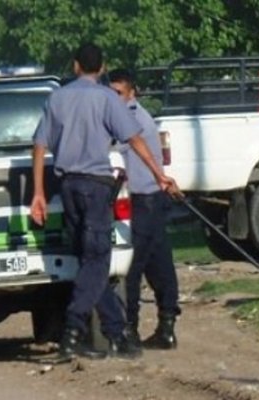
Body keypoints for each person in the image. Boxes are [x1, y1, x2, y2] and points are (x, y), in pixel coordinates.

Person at [30, 43, 177, 362]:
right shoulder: (107, 98)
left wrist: (38, 192)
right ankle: (72, 330)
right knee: (97, 261)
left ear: (75, 66)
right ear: (102, 66)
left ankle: (118, 333)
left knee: (88, 263)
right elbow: (134, 138)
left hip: (67, 186)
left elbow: (39, 146)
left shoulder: (58, 97)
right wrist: (158, 174)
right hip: (96, 188)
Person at [108, 68, 181, 350]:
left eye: (118, 94)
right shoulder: (129, 116)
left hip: (144, 201)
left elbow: (110, 149)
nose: (114, 99)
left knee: (133, 266)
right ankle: (166, 327)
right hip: (148, 199)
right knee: (158, 264)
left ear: (131, 93)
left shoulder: (132, 119)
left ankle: (131, 329)